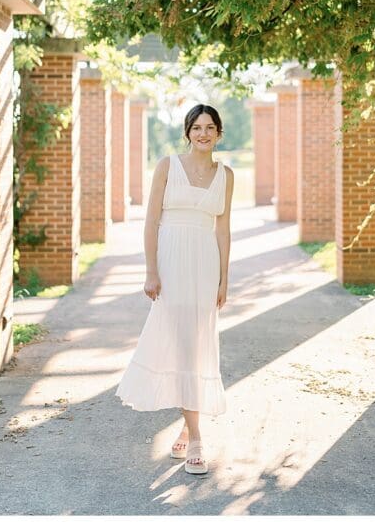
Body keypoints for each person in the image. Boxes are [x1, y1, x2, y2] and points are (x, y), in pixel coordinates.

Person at [116, 104, 235, 475]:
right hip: (171, 262)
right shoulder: (167, 166)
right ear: (187, 132)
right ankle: (197, 437)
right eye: (197, 127)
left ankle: (187, 425)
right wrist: (151, 270)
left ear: (219, 133)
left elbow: (222, 230)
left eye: (210, 127)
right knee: (183, 345)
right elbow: (151, 221)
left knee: (196, 345)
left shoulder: (226, 175)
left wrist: (224, 279)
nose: (203, 133)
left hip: (205, 264)